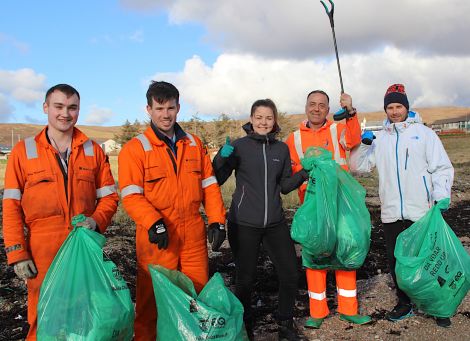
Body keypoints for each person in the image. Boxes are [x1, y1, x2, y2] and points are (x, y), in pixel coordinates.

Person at [2, 83, 119, 340]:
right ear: (46, 108)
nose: (65, 113)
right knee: (42, 318)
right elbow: (10, 206)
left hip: (83, 247)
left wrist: (95, 221)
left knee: (85, 317)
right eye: (59, 106)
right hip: (42, 250)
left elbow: (110, 197)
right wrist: (17, 253)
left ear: (78, 110)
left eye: (72, 107)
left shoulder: (93, 150)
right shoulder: (23, 151)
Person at [118, 81, 226, 340]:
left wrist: (216, 220)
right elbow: (131, 195)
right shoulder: (135, 149)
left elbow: (209, 185)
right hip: (157, 238)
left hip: (193, 235)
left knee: (195, 297)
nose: (165, 114)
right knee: (150, 301)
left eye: (170, 107)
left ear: (178, 107)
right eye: (159, 108)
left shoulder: (193, 143)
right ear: (148, 109)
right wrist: (153, 222)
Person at [350, 83, 454, 327]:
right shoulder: (379, 139)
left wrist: (441, 196)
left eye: (398, 106)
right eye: (390, 107)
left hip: (421, 212)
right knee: (396, 261)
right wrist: (364, 146)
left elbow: (441, 167)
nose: (395, 111)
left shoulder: (424, 134)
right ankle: (404, 303)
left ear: (406, 107)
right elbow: (358, 167)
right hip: (392, 213)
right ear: (385, 109)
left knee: (428, 258)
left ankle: (437, 305)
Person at [212, 99, 308, 340]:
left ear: (274, 121)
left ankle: (285, 324)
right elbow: (217, 178)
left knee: (290, 274)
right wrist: (221, 158)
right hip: (243, 222)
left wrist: (304, 173)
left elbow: (285, 186)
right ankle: (245, 325)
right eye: (259, 117)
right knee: (245, 278)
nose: (263, 122)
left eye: (268, 118)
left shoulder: (281, 149)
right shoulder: (240, 146)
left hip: (274, 222)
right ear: (251, 119)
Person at [285, 90, 372, 328]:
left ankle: (348, 309)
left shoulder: (338, 129)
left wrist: (351, 112)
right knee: (314, 256)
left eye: (322, 105)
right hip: (312, 206)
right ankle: (318, 311)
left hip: (341, 204)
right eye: (312, 104)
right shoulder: (293, 138)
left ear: (328, 109)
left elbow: (354, 140)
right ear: (305, 106)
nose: (316, 109)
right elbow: (290, 171)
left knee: (345, 252)